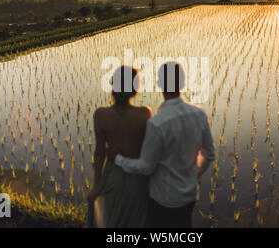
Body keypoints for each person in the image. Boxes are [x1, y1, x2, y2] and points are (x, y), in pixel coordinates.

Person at [109, 61, 215, 228]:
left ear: (159, 84)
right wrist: (194, 175)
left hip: (163, 200)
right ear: (183, 83)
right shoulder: (199, 114)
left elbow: (146, 167)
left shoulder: (157, 123)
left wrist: (119, 159)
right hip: (189, 195)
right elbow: (209, 154)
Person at [88, 65, 152, 227]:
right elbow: (150, 151)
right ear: (134, 89)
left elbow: (100, 153)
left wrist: (96, 186)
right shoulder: (145, 114)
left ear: (113, 87)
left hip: (113, 178)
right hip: (139, 180)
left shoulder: (101, 115)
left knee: (112, 222)